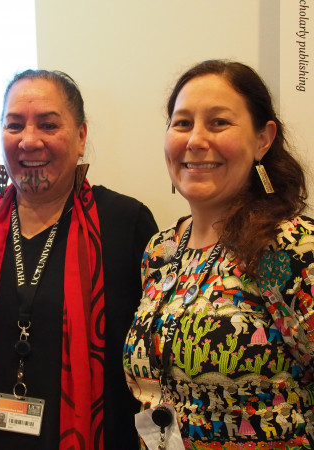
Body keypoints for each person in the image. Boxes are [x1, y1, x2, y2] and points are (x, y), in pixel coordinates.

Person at [0, 69, 158, 449]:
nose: (29, 141)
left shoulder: (125, 222)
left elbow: (148, 366)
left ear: (81, 136)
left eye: (48, 125)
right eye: (14, 125)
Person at [123, 59, 314, 449]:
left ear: (263, 139)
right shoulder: (162, 251)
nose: (195, 140)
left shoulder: (287, 247)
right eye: (182, 123)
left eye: (218, 122)